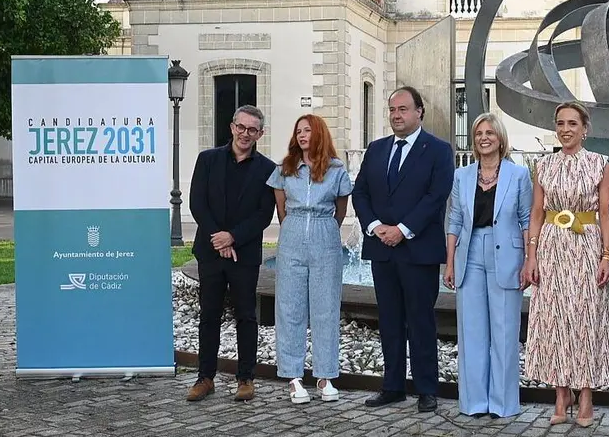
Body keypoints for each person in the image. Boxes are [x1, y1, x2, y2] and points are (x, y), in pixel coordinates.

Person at [351, 86, 454, 413]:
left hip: (418, 250)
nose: (396, 115)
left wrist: (403, 230)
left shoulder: (438, 150)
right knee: (390, 320)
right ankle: (392, 386)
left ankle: (426, 389)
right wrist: (374, 226)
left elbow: (436, 196)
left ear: (419, 111)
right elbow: (360, 193)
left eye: (403, 109)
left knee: (421, 321)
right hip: (382, 249)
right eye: (392, 110)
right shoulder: (376, 149)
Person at [521, 101, 609, 428]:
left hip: (587, 243)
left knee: (586, 318)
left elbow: (606, 213)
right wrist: (531, 255)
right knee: (554, 319)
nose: (566, 129)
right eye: (560, 123)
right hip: (552, 246)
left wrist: (606, 255)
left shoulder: (600, 164)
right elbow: (536, 212)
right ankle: (561, 395)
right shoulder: (544, 165)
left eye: (572, 123)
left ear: (584, 129)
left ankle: (586, 394)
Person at [186, 105, 277, 403]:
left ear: (260, 134)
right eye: (241, 127)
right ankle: (205, 377)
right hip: (211, 251)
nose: (245, 134)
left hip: (244, 254)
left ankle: (245, 378)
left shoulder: (268, 169)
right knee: (209, 316)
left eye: (252, 129)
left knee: (246, 316)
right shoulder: (207, 159)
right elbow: (197, 203)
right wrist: (219, 238)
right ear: (232, 127)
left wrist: (233, 237)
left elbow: (263, 214)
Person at [444, 112, 531, 418]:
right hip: (469, 254)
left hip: (506, 254)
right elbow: (454, 220)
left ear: (500, 138)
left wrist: (529, 260)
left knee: (504, 331)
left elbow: (526, 220)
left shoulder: (518, 175)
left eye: (490, 133)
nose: (484, 138)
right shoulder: (462, 175)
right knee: (471, 331)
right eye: (479, 133)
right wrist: (450, 263)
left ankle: (502, 403)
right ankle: (474, 402)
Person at [267, 114, 353, 404]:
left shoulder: (336, 170)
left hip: (325, 234)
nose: (302, 135)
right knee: (289, 307)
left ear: (319, 134)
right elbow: (281, 209)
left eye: (307, 130)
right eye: (298, 131)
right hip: (292, 235)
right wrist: (294, 229)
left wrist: (323, 229)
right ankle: (293, 376)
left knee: (326, 307)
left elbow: (340, 211)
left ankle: (325, 375)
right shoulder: (285, 168)